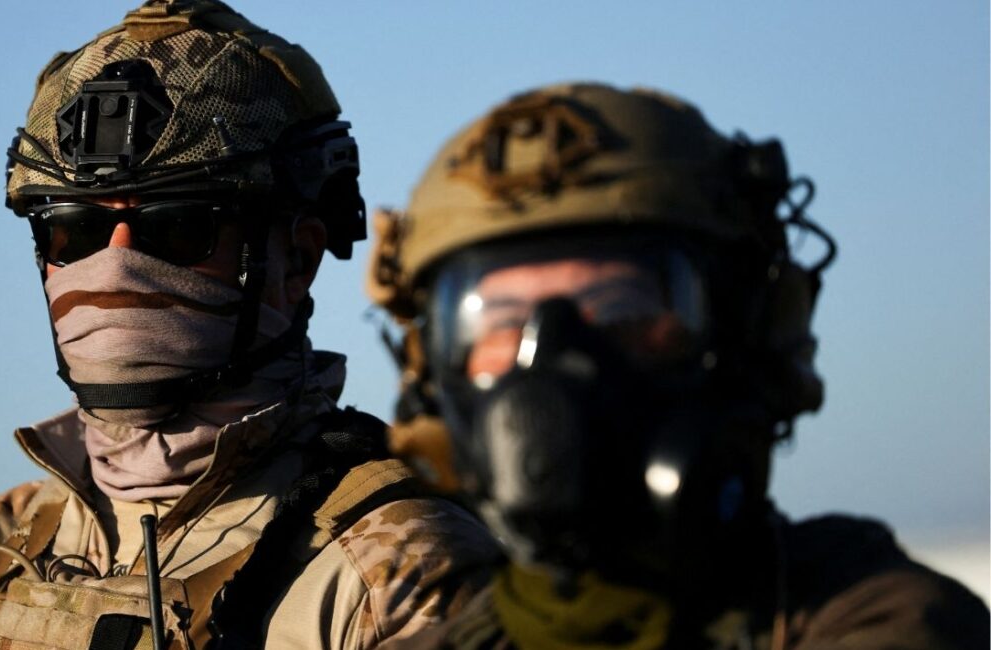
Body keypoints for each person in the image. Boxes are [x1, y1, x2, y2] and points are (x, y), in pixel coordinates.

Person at [0, 2, 499, 649]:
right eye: (72, 231)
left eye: (178, 228)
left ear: (295, 261)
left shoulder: (403, 577)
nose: (114, 268)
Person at [366, 82, 989, 649]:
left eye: (618, 312)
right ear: (430, 374)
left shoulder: (880, 619)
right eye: (501, 322)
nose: (550, 366)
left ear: (752, 332)